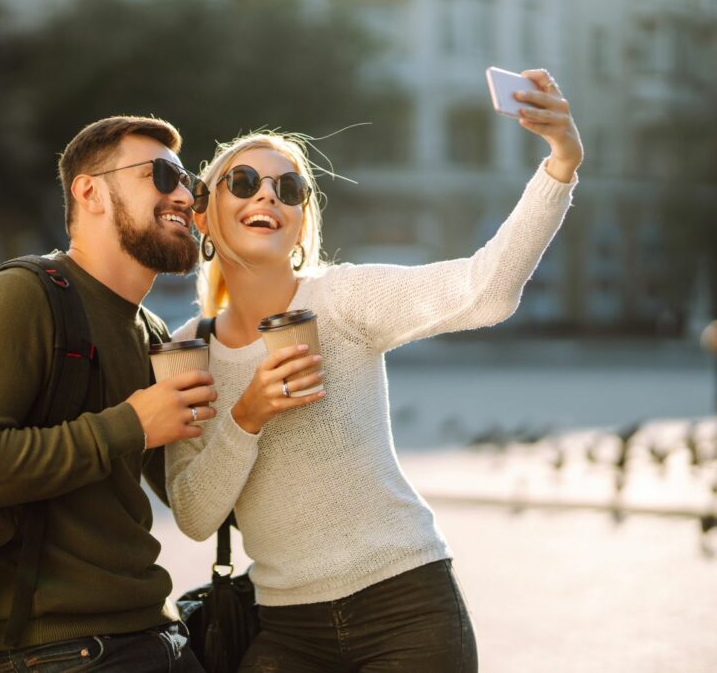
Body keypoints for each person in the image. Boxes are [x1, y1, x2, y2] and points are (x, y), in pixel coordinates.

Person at [166, 69, 582, 671]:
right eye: (245, 181)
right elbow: (195, 516)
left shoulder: (342, 299)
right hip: (285, 628)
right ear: (204, 216)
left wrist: (561, 163)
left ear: (301, 222)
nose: (267, 196)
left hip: (407, 608)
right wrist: (247, 415)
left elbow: (486, 289)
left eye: (289, 189)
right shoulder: (188, 352)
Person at [0, 116, 217, 672]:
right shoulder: (24, 295)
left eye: (191, 184)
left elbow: (194, 503)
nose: (184, 194)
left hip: (154, 632)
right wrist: (131, 424)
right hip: (61, 650)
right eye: (162, 175)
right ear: (90, 191)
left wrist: (253, 410)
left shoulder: (151, 332)